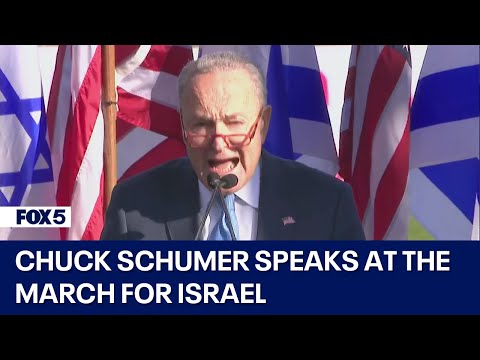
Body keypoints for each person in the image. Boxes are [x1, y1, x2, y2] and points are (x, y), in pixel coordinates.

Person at [101, 51, 366, 240]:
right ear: (183, 126)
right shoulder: (133, 206)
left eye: (234, 123)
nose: (218, 143)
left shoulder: (327, 204)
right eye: (201, 125)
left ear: (263, 123)